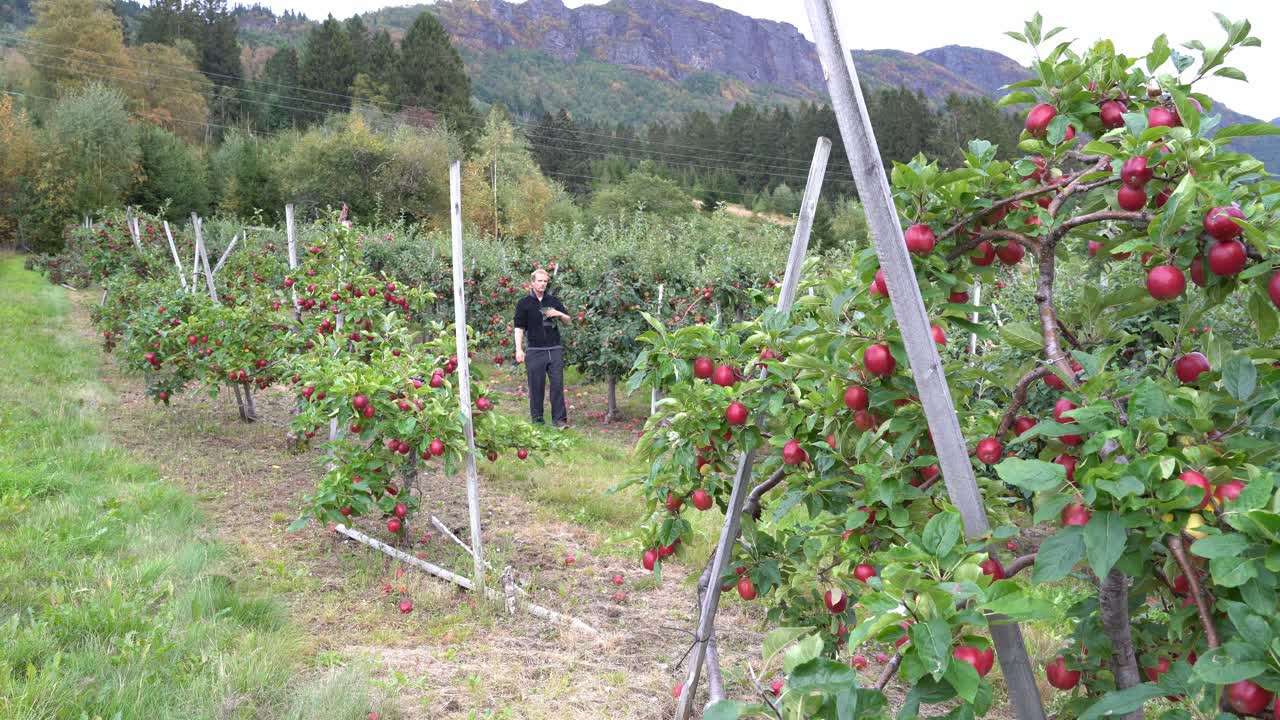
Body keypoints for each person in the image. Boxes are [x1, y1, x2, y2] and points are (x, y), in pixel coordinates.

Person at [513, 268, 573, 427]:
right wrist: (519, 349)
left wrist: (558, 314)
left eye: (545, 281)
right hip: (535, 350)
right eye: (539, 281)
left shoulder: (553, 301)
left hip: (554, 349)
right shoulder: (523, 303)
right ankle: (538, 419)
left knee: (557, 385)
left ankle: (560, 420)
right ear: (532, 282)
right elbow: (519, 328)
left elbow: (568, 320)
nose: (542, 284)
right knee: (536, 387)